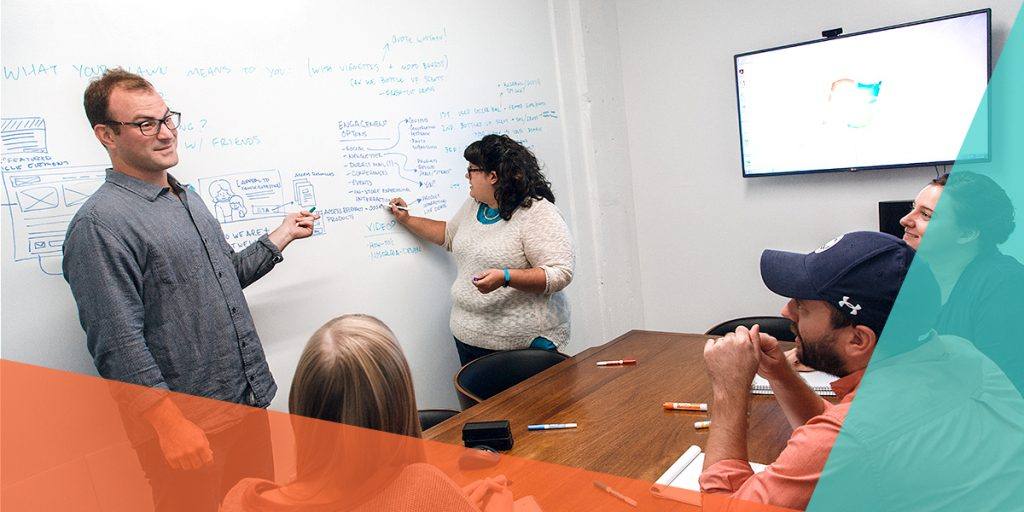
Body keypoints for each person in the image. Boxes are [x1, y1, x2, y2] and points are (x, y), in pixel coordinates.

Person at [62, 68, 320, 511]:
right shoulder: (99, 226)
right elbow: (118, 343)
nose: (165, 133)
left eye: (167, 118)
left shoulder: (187, 199)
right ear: (106, 135)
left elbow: (225, 278)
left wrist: (281, 235)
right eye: (146, 124)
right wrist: (168, 425)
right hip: (190, 429)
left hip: (245, 403)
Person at [699, 231, 1024, 510]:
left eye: (802, 306)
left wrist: (729, 392)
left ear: (858, 339)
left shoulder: (853, 438)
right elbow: (847, 438)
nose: (786, 311)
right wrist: (782, 374)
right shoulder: (961, 352)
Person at [221, 314, 513, 511]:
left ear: (301, 402)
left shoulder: (239, 498)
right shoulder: (421, 485)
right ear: (399, 404)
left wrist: (450, 501)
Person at [388, 134, 574, 365]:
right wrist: (407, 219)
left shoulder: (537, 213)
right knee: (480, 402)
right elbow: (449, 235)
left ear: (492, 176)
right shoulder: (475, 205)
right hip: (470, 338)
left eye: (472, 169)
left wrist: (506, 277)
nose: (467, 175)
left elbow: (559, 273)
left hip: (523, 347)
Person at [900, 171, 1024, 389]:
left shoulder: (1006, 285)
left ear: (967, 233)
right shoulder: (913, 277)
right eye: (913, 208)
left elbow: (997, 387)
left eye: (926, 215)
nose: (905, 220)